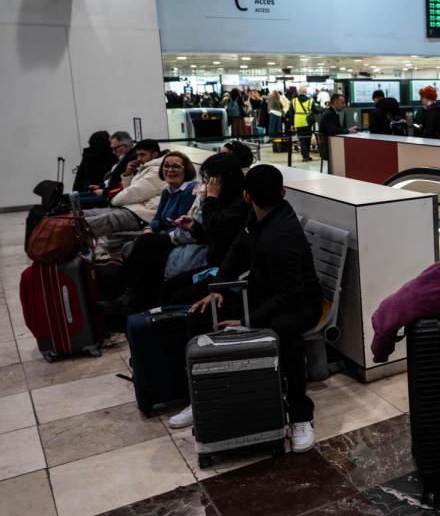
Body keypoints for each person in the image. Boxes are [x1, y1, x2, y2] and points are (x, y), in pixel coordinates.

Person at [170, 165, 323, 454]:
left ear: (246, 195)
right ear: (283, 192)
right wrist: (217, 289)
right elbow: (237, 252)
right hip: (265, 296)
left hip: (300, 305)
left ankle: (302, 415)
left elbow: (291, 296)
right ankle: (200, 398)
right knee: (199, 313)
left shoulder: (283, 235)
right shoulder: (256, 218)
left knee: (284, 334)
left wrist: (246, 320)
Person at [100, 152, 198, 311]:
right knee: (142, 243)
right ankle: (127, 294)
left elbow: (182, 224)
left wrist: (154, 235)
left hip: (177, 236)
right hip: (162, 236)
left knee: (145, 244)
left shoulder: (190, 191)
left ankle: (121, 289)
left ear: (185, 170)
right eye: (166, 166)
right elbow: (158, 217)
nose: (170, 170)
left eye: (175, 166)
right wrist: (149, 228)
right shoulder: (168, 191)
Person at [160, 153, 250, 305]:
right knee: (168, 286)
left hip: (228, 271)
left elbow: (216, 227)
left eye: (210, 178)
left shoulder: (240, 203)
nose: (207, 183)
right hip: (217, 264)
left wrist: (211, 198)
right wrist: (193, 227)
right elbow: (212, 234)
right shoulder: (224, 199)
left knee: (177, 295)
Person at [82, 139, 166, 237]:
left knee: (92, 223)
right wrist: (128, 174)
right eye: (138, 155)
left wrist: (113, 201)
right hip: (132, 208)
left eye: (142, 155)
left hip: (143, 215)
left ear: (155, 155)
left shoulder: (157, 171)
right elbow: (129, 191)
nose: (138, 158)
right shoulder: (145, 168)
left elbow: (133, 193)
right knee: (85, 214)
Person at [76, 131, 137, 209]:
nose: (113, 152)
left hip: (111, 196)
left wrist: (104, 191)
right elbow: (112, 179)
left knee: (72, 200)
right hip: (108, 191)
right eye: (112, 149)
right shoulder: (124, 157)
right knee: (71, 198)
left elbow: (120, 183)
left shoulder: (131, 158)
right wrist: (100, 186)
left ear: (125, 146)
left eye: (115, 149)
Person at [288, 86, 317, 162]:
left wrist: (292, 124)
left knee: (302, 140)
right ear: (306, 92)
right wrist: (322, 110)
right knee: (308, 138)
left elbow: (291, 113)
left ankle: (305, 156)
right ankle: (306, 155)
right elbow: (315, 110)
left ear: (299, 92)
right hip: (308, 122)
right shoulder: (310, 100)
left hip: (298, 123)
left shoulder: (293, 101)